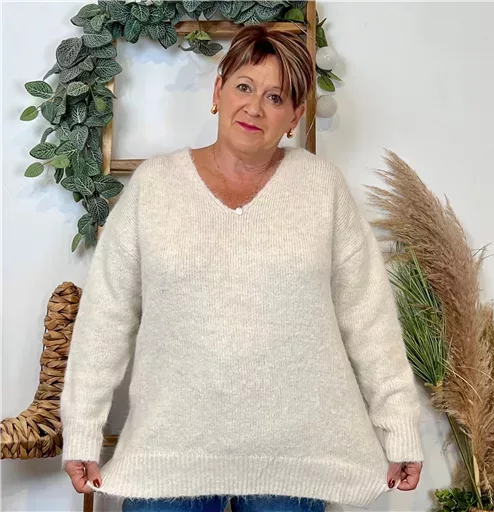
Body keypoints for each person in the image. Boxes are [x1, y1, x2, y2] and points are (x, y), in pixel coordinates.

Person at [61, 25, 424, 512]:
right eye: (244, 87)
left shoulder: (322, 188)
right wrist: (82, 431)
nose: (255, 108)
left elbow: (369, 318)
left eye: (276, 97)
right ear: (218, 91)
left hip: (294, 460)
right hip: (171, 453)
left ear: (294, 116)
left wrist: (399, 429)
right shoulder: (155, 187)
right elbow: (106, 317)